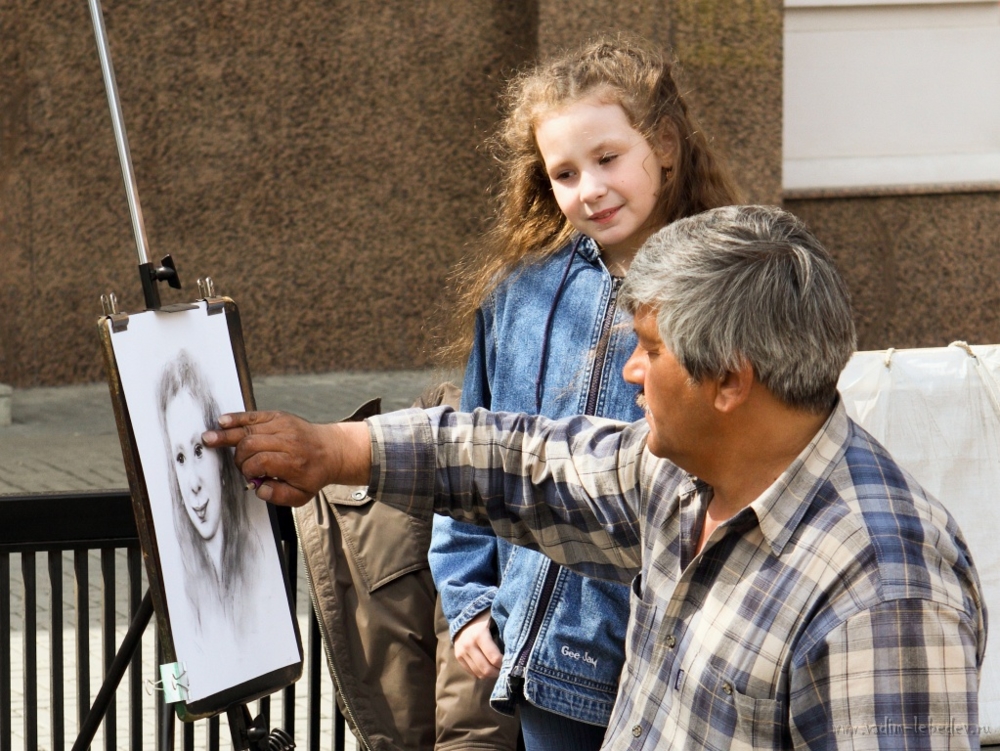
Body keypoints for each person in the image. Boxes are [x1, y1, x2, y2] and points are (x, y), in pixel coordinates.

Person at [207, 205, 986, 749]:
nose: (630, 371)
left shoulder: (885, 592)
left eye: (650, 348)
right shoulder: (684, 476)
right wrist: (334, 450)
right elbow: (524, 463)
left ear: (729, 381)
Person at [428, 35, 739, 748]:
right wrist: (470, 594)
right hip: (545, 667)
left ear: (662, 144)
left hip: (682, 664)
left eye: (607, 159)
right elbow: (469, 449)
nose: (588, 189)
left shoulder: (730, 288)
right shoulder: (521, 293)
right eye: (564, 172)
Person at [157, 349, 262, 636]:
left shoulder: (256, 567)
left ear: (222, 457)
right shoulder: (181, 585)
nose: (193, 483)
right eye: (180, 459)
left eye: (199, 450)